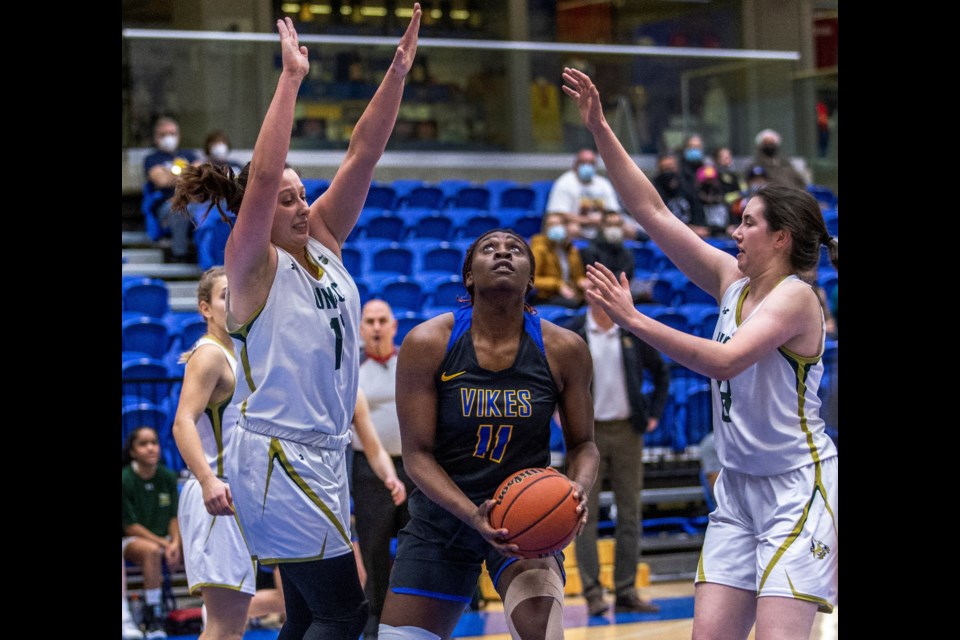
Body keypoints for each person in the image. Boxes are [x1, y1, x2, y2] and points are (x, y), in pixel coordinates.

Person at [170, 8, 421, 638]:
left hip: (321, 454)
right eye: (286, 200)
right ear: (259, 216)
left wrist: (396, 73)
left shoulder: (327, 240)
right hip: (279, 455)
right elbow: (261, 175)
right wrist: (291, 78)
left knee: (308, 611)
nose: (301, 203)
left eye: (302, 192)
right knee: (346, 611)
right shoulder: (251, 264)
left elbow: (365, 150)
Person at [563, 67, 838, 640]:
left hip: (796, 486)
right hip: (738, 488)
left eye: (747, 223)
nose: (735, 233)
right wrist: (600, 128)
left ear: (781, 237)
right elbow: (654, 213)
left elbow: (724, 360)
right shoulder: (729, 281)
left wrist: (635, 319)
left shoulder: (797, 299)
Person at [378, 229, 599, 640]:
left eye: (515, 249)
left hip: (525, 520)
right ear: (469, 277)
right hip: (442, 519)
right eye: (489, 249)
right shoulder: (428, 343)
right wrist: (472, 515)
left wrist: (577, 490)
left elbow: (584, 445)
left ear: (531, 280)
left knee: (543, 635)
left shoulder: (564, 348)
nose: (502, 253)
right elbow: (417, 456)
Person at [171, 267, 285, 640]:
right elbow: (182, 423)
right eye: (224, 296)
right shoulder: (209, 355)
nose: (233, 302)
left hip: (238, 497)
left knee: (232, 625)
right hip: (216, 494)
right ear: (206, 308)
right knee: (224, 627)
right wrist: (207, 481)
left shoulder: (241, 352)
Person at [567, 282, 670, 617]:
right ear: (586, 295)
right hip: (586, 437)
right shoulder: (573, 332)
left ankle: (626, 592)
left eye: (603, 288)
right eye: (592, 289)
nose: (597, 295)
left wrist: (653, 413)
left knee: (630, 513)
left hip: (628, 431)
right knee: (585, 515)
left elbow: (661, 371)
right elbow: (550, 375)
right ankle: (593, 593)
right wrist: (558, 411)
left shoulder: (631, 331)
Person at [353, 299, 416, 639]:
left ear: (394, 326)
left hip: (411, 466)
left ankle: (414, 615)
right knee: (374, 547)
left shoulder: (410, 364)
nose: (376, 327)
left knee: (416, 543)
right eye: (370, 321)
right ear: (362, 329)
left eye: (382, 321)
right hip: (368, 469)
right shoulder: (353, 370)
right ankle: (374, 622)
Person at [122, 426, 182, 639]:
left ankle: (211, 608)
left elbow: (174, 517)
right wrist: (166, 544)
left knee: (197, 544)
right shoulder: (125, 478)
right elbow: (130, 526)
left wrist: (175, 543)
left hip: (163, 540)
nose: (151, 448)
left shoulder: (167, 476)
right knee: (151, 550)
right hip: (132, 540)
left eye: (154, 443)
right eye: (143, 444)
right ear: (132, 451)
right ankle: (153, 614)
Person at [143, 116, 200, 261]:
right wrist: (187, 171)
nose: (168, 138)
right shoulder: (152, 159)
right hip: (166, 207)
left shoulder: (189, 154)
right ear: (156, 138)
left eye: (172, 133)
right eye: (163, 135)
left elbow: (200, 177)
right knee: (179, 207)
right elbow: (161, 181)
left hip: (194, 202)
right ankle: (179, 254)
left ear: (178, 136)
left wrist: (172, 173)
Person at [545, 148, 630, 241]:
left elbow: (613, 211)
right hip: (576, 225)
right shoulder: (564, 182)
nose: (587, 166)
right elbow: (558, 213)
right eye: (583, 162)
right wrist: (588, 221)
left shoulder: (603, 184)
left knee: (627, 230)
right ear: (575, 164)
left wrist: (604, 221)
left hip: (601, 227)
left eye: (591, 163)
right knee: (572, 229)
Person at [529, 212, 586, 308]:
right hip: (546, 296)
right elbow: (532, 280)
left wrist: (582, 282)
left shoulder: (571, 249)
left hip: (569, 292)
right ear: (545, 229)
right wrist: (558, 285)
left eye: (558, 224)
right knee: (574, 305)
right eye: (551, 225)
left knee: (593, 301)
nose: (555, 227)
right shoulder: (539, 249)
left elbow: (578, 276)